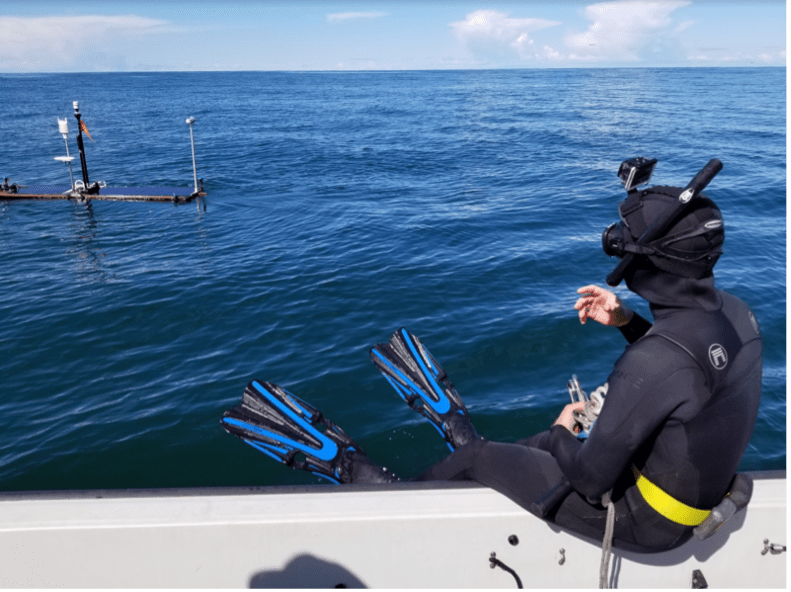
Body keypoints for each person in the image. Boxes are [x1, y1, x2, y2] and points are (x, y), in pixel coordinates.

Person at [222, 176, 763, 555]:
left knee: (483, 456)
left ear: (643, 264)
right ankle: (465, 445)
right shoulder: (738, 315)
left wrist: (558, 433)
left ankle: (370, 477)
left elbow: (593, 481)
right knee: (514, 453)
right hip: (682, 486)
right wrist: (626, 324)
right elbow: (692, 376)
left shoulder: (653, 364)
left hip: (642, 521)